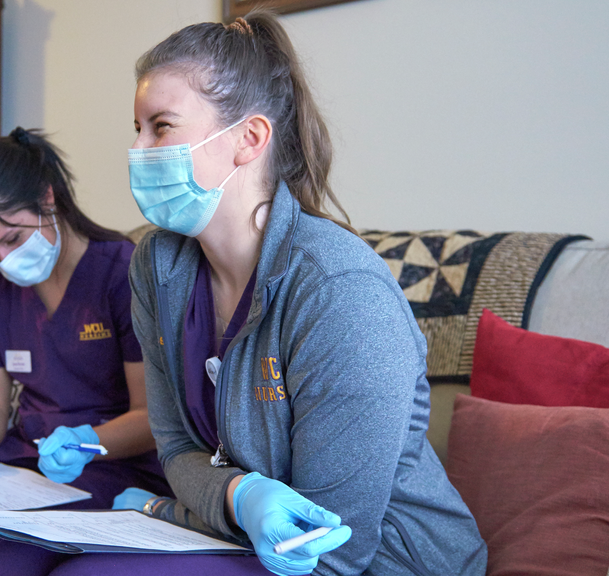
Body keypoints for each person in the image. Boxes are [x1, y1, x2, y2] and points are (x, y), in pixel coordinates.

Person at [48, 11, 487, 576]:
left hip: (380, 560)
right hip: (239, 540)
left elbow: (333, 547)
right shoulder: (156, 267)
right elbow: (176, 448)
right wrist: (239, 499)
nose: (138, 149)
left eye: (161, 126)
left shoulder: (340, 293)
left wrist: (175, 511)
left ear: (248, 139)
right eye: (136, 128)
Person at [0, 127, 170, 576]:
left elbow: (151, 417)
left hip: (112, 465)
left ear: (47, 199)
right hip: (25, 460)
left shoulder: (122, 273)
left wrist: (86, 442)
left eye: (12, 240)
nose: (3, 261)